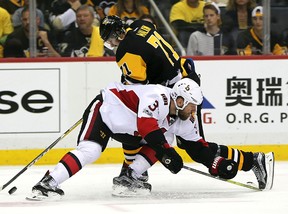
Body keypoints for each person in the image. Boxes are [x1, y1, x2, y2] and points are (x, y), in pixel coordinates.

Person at [30, 78, 274, 199]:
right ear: (179, 100)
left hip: (129, 130)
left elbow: (199, 148)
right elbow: (146, 126)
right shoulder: (157, 95)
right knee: (91, 151)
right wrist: (168, 154)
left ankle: (130, 176)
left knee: (165, 136)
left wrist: (218, 165)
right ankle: (48, 183)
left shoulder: (183, 118)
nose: (194, 112)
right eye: (192, 106)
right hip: (105, 113)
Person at [99, 15, 204, 184]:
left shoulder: (125, 51)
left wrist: (124, 86)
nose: (110, 44)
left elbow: (138, 86)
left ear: (117, 35)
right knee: (191, 144)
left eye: (109, 39)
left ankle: (134, 171)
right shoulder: (141, 25)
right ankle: (135, 170)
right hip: (185, 82)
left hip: (173, 97)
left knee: (138, 129)